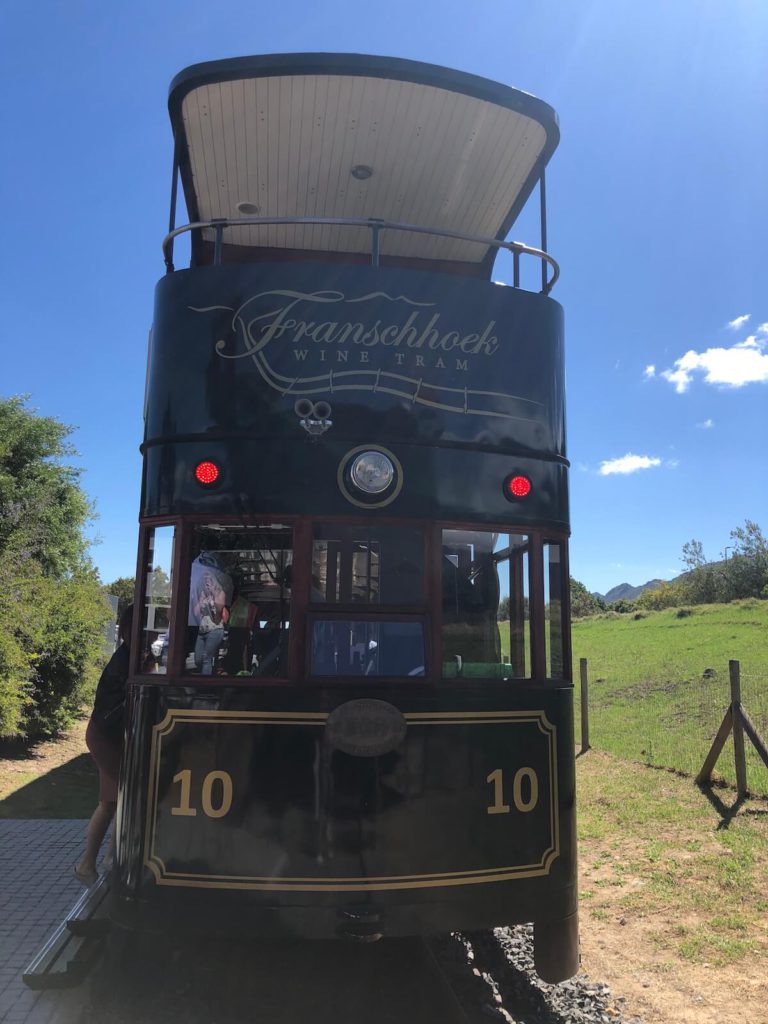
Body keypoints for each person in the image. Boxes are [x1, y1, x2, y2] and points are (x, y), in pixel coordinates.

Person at [74, 604, 132, 886]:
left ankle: (109, 859)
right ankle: (88, 864)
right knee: (113, 800)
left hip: (107, 734)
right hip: (105, 736)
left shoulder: (128, 657)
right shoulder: (125, 661)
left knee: (118, 799)